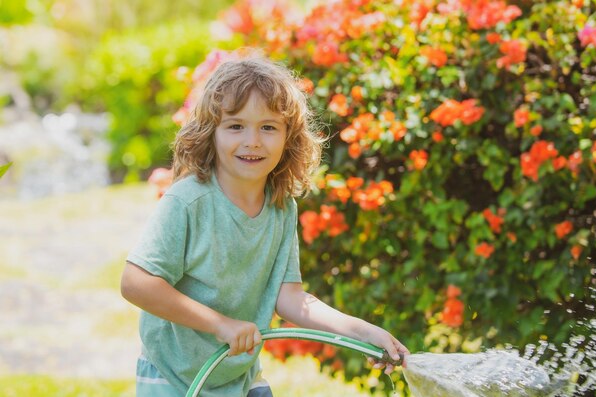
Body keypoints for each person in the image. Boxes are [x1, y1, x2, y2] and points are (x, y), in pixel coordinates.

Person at [120, 55, 409, 397]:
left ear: (290, 136)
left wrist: (362, 332)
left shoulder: (281, 206)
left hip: (237, 373)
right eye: (235, 126)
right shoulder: (188, 202)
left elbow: (291, 299)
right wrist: (220, 325)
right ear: (211, 133)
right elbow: (135, 283)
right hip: (174, 375)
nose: (252, 141)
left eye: (268, 127)